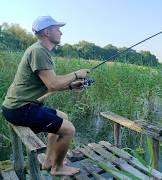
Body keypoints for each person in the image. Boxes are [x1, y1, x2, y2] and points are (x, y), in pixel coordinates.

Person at [1, 16, 89, 176]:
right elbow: (53, 84)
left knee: (63, 116)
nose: (61, 32)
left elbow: (51, 82)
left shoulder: (40, 50)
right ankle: (58, 167)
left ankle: (48, 160)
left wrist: (70, 85)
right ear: (47, 32)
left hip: (22, 106)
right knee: (69, 130)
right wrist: (77, 74)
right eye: (57, 29)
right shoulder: (39, 51)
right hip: (20, 109)